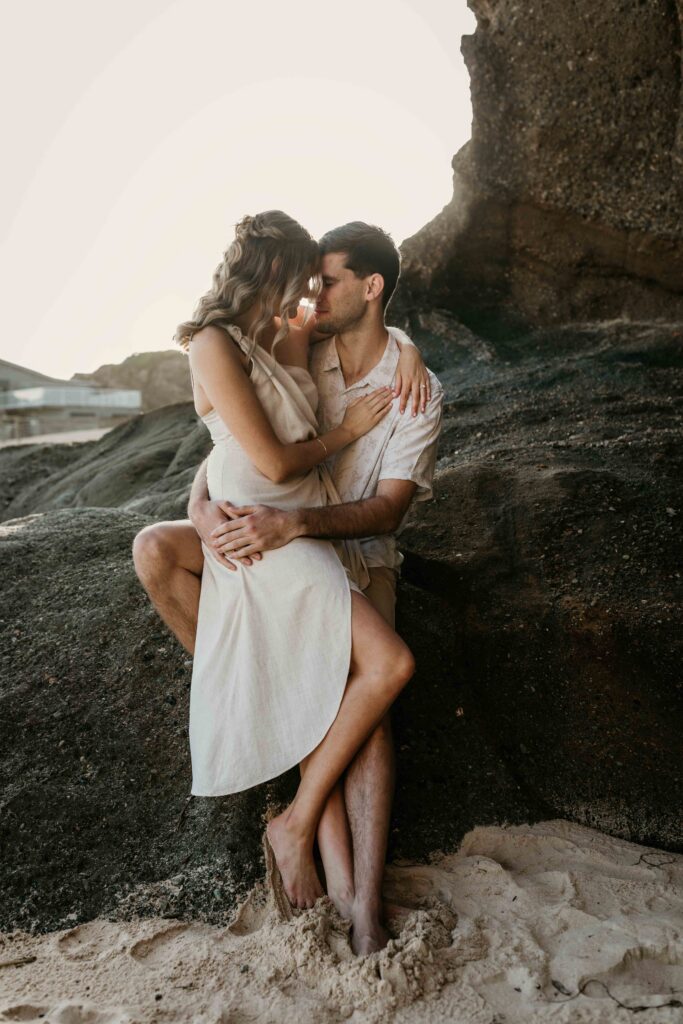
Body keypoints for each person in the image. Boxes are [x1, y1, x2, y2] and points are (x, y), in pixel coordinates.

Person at [133, 211, 430, 954]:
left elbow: (377, 344)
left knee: (371, 673)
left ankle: (328, 863)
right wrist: (200, 507)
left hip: (313, 533)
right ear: (271, 271)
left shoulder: (301, 336)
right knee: (341, 671)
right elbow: (252, 451)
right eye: (304, 276)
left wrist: (412, 352)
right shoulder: (223, 342)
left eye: (322, 280)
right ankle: (323, 860)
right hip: (265, 530)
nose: (310, 292)